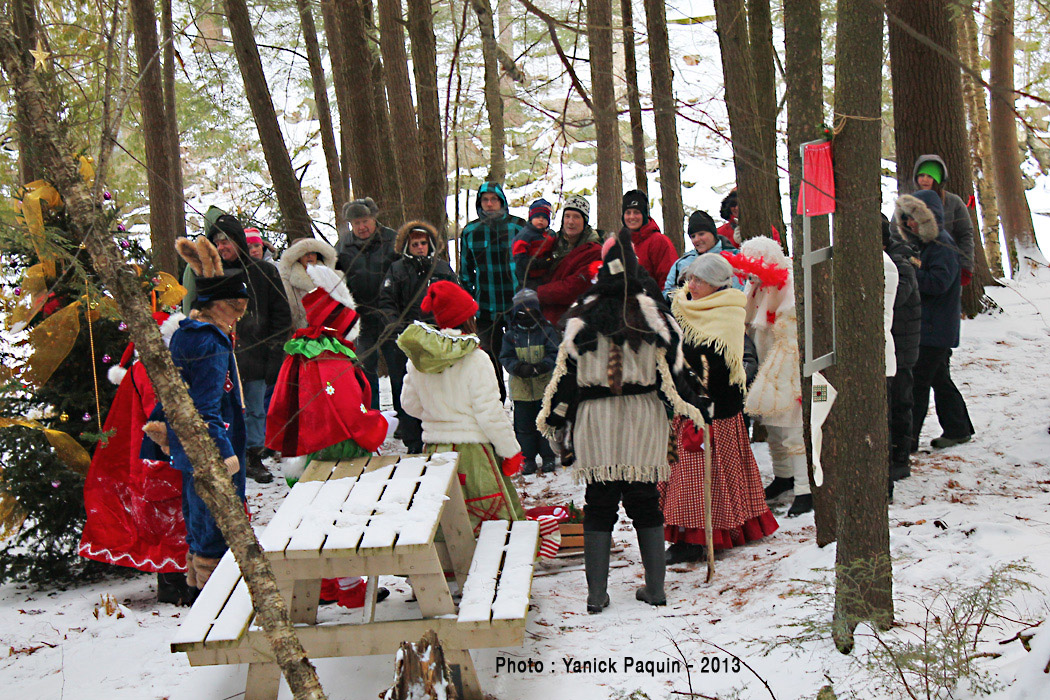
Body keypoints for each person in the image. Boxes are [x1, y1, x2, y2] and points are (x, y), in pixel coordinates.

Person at [538, 228, 708, 613]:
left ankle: (597, 595)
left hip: (596, 421)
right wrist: (700, 405)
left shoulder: (581, 316)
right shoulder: (655, 315)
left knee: (599, 504)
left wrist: (553, 419)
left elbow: (564, 377)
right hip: (641, 417)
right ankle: (656, 590)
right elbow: (679, 372)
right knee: (645, 502)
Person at [265, 264, 390, 607]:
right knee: (341, 514)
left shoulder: (305, 352)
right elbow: (350, 413)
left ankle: (325, 585)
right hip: (334, 450)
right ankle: (349, 587)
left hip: (307, 447)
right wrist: (377, 425)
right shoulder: (330, 359)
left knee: (315, 515)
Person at [144, 236, 250, 598]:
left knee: (197, 513)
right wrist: (225, 451)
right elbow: (206, 404)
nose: (238, 318)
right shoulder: (211, 342)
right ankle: (215, 596)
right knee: (216, 519)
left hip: (190, 445)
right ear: (220, 305)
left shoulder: (187, 334)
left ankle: (195, 585)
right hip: (213, 444)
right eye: (235, 309)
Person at [662, 254, 778, 563]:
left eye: (699, 281)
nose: (692, 285)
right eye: (691, 279)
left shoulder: (727, 313)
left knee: (698, 476)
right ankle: (716, 530)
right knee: (698, 475)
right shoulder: (683, 307)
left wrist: (690, 383)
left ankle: (696, 538)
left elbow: (722, 367)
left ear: (716, 284)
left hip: (712, 408)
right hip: (687, 402)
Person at [79, 310, 191, 604]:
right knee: (172, 522)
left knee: (168, 522)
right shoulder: (155, 371)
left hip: (148, 458)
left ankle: (175, 581)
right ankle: (174, 584)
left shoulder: (144, 369)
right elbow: (163, 413)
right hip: (162, 455)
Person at [398, 281, 525, 533]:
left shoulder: (419, 361)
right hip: (474, 455)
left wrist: (439, 415)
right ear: (467, 317)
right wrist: (510, 451)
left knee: (447, 525)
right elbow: (490, 413)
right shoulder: (476, 359)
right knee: (493, 527)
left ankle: (448, 571)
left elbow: (409, 404)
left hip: (436, 453)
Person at [183, 214, 291, 484]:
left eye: (226, 241)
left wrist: (275, 355)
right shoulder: (209, 277)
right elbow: (197, 312)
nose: (222, 247)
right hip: (219, 356)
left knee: (255, 409)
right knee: (222, 411)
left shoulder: (264, 272)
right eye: (217, 243)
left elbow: (281, 316)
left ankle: (253, 456)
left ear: (239, 241)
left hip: (257, 354)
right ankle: (226, 457)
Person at [728, 237, 810, 517]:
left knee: (792, 426)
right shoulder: (754, 284)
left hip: (786, 362)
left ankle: (804, 488)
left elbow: (793, 329)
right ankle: (783, 476)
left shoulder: (789, 285)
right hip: (762, 359)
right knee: (772, 426)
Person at [894, 190, 974, 450]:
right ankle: (958, 427)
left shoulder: (942, 245)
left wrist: (909, 271)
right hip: (930, 327)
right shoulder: (924, 245)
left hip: (935, 329)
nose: (909, 223)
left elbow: (939, 283)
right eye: (906, 219)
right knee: (940, 379)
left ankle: (907, 442)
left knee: (917, 384)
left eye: (914, 218)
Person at [376, 220, 459, 453]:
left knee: (439, 390)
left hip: (438, 337)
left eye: (423, 243)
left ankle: (441, 437)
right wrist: (399, 329)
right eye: (415, 244)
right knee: (408, 390)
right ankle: (413, 441)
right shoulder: (397, 270)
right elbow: (386, 302)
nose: (420, 247)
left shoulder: (442, 268)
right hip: (407, 339)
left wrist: (449, 328)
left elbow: (456, 298)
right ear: (407, 246)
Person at [459, 182, 526, 401]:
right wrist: (469, 301)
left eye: (493, 199)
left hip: (516, 304)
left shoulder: (518, 227)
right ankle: (498, 401)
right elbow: (466, 270)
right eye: (485, 200)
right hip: (486, 306)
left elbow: (530, 263)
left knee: (522, 355)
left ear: (502, 201)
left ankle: (523, 401)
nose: (489, 204)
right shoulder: (470, 231)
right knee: (489, 358)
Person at [336, 197, 399, 412]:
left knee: (397, 367)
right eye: (356, 223)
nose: (361, 227)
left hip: (390, 314)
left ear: (373, 218)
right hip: (360, 316)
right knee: (365, 368)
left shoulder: (392, 239)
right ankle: (370, 415)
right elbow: (336, 275)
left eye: (365, 221)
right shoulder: (344, 244)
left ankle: (404, 419)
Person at [499, 288, 560, 475]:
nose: (527, 315)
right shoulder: (510, 335)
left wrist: (544, 366)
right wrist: (518, 368)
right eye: (523, 312)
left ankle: (548, 457)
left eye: (531, 311)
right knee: (524, 427)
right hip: (521, 390)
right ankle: (528, 459)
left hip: (544, 388)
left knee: (546, 424)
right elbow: (505, 357)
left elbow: (555, 352)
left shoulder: (546, 330)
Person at [883, 215, 921, 486]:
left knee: (900, 403)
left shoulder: (899, 260)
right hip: (892, 342)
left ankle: (901, 458)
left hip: (902, 342)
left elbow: (899, 295)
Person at [535, 195, 602, 326]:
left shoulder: (593, 251)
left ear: (585, 221)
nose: (571, 222)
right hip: (546, 316)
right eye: (567, 216)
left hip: (575, 320)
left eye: (576, 217)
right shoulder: (552, 242)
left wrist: (537, 292)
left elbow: (573, 288)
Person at [911, 155, 975, 285]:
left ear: (938, 179)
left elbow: (965, 235)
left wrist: (965, 267)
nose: (925, 180)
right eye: (921, 175)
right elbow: (897, 234)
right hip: (916, 268)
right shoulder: (908, 202)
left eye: (930, 176)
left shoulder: (954, 202)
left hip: (946, 267)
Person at [663, 210, 740, 300]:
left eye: (701, 234)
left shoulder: (733, 258)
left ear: (713, 233)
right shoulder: (682, 263)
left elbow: (740, 291)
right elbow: (667, 293)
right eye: (693, 236)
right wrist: (683, 295)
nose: (697, 239)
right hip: (688, 312)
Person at [277, 236, 339, 330]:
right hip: (302, 332)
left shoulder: (333, 275)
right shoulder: (287, 281)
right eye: (305, 253)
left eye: (312, 253)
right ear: (297, 257)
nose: (309, 256)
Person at [621, 189, 678, 287]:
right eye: (628, 212)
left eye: (636, 212)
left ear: (644, 215)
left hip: (651, 299)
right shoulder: (619, 243)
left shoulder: (659, 242)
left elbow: (668, 280)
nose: (632, 217)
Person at [512, 198, 558, 288]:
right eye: (537, 217)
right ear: (531, 218)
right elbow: (519, 258)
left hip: (546, 274)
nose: (541, 220)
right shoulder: (525, 235)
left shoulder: (551, 234)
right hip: (528, 277)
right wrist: (537, 263)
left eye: (544, 218)